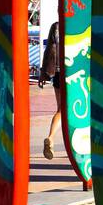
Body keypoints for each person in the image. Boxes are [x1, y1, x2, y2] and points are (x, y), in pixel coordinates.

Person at [39, 20, 62, 159]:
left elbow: (50, 50)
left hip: (59, 74)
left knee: (61, 110)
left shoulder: (56, 26)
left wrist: (44, 73)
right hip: (77, 73)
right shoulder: (81, 22)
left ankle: (51, 138)